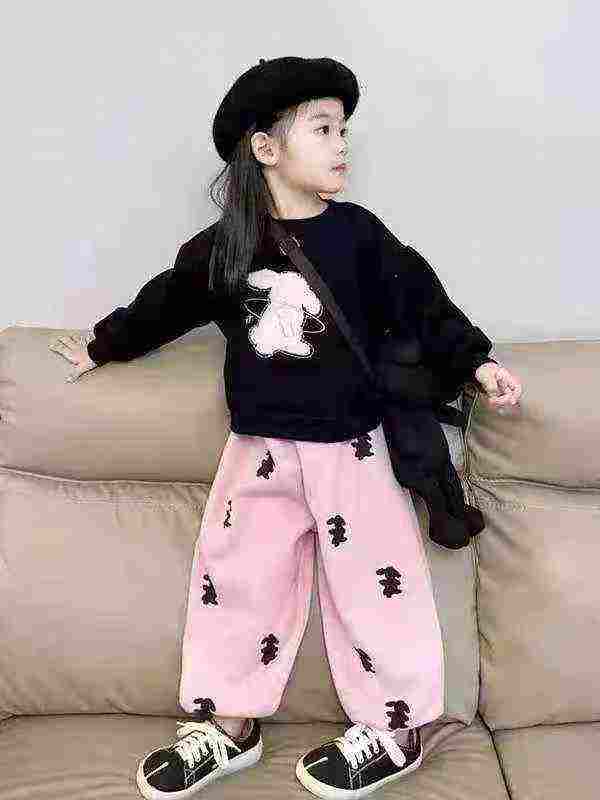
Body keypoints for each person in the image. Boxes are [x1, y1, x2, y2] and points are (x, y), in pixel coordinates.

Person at [49, 57, 522, 800]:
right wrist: (103, 344)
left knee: (375, 587)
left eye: (344, 130)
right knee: (235, 580)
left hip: (354, 450)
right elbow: (164, 304)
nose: (343, 144)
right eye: (323, 129)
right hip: (260, 449)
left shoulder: (360, 236)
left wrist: (477, 362)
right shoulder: (225, 248)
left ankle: (393, 728)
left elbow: (422, 302)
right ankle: (228, 725)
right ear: (266, 148)